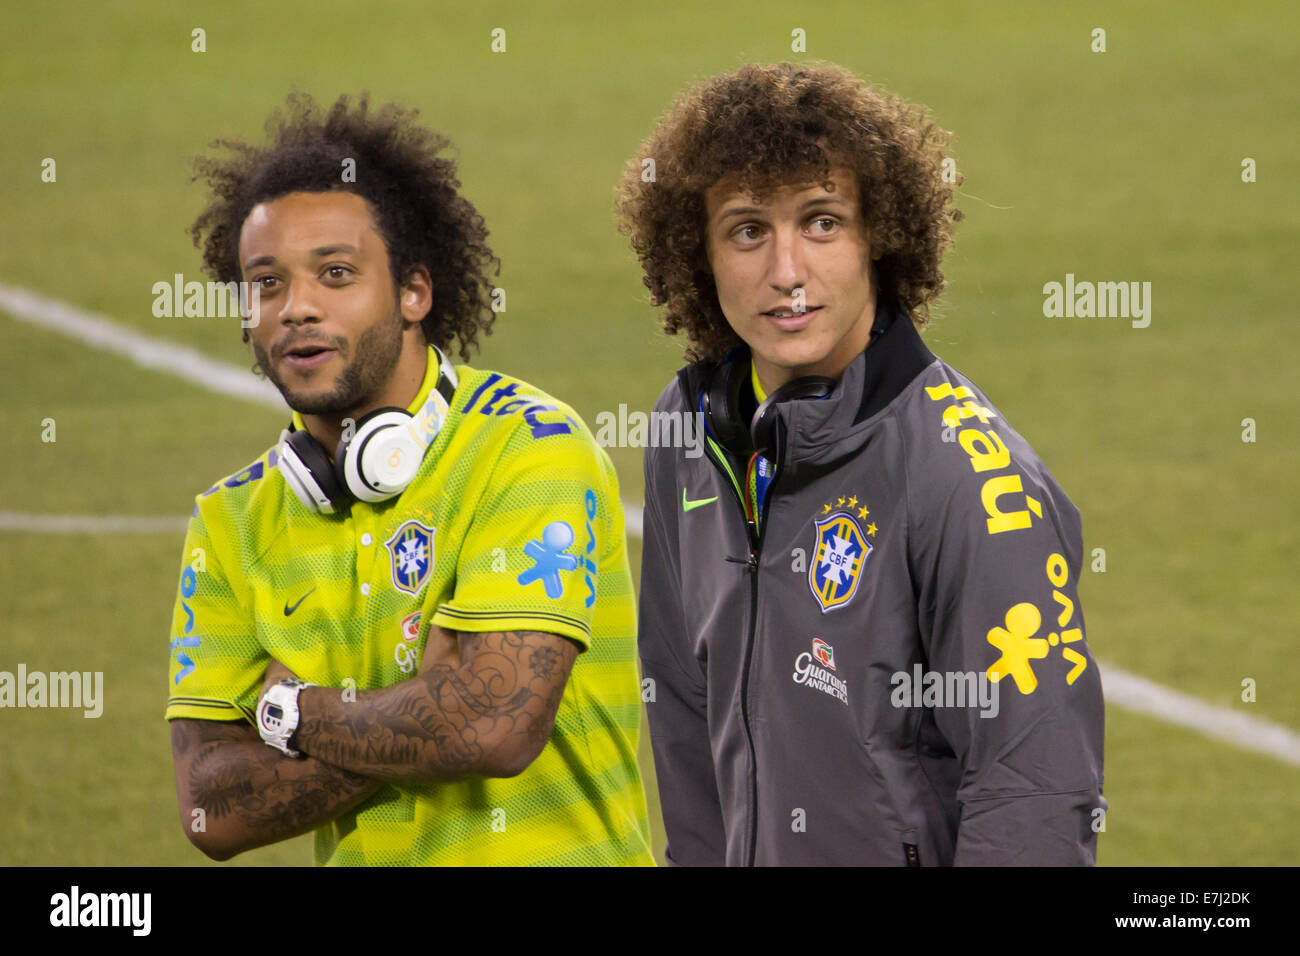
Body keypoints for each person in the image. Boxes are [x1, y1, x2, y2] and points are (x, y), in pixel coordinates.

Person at [617, 62, 1106, 865]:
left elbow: (1037, 792)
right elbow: (682, 713)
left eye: (821, 223)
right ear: (696, 255)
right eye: (747, 229)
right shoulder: (686, 432)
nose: (785, 272)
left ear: (879, 233)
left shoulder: (973, 485)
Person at [167, 92, 653, 866]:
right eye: (267, 284)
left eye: (335, 273)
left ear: (414, 292)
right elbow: (210, 811)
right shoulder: (231, 521)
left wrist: (289, 714)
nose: (297, 309)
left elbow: (494, 727)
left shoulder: (530, 448)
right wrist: (424, 711)